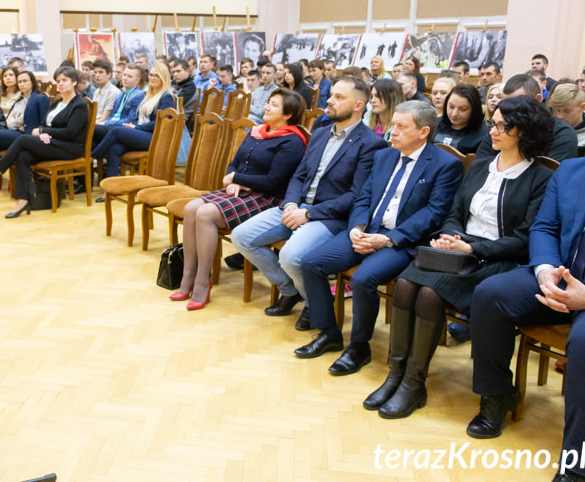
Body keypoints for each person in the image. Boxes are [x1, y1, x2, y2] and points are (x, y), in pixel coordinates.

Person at [365, 97, 554, 419]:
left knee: (428, 293)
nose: (491, 131)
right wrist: (452, 237)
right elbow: (453, 213)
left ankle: (413, 382)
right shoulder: (481, 167)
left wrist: (472, 249)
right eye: (492, 123)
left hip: (497, 258)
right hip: (459, 249)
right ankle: (395, 374)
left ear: (523, 131)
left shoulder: (540, 177)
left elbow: (524, 238)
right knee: (407, 283)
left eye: (500, 126)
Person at [294, 101, 463, 374]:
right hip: (368, 230)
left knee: (362, 279)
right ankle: (329, 332)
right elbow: (364, 197)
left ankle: (359, 347)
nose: (391, 132)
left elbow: (433, 214)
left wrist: (388, 240)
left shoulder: (445, 165)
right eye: (392, 124)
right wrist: (357, 228)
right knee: (311, 263)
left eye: (400, 127)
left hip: (402, 241)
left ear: (423, 132)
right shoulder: (384, 156)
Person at [466, 145, 585, 482]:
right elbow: (544, 229)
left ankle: (578, 465)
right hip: (559, 273)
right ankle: (497, 396)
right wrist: (544, 271)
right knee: (490, 294)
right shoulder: (572, 169)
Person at [232, 77, 387, 326]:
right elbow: (299, 175)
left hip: (330, 216)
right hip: (297, 206)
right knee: (242, 237)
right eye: (332, 94)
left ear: (359, 105)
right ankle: (293, 291)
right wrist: (292, 204)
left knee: (291, 256)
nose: (329, 100)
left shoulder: (371, 143)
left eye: (339, 97)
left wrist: (308, 215)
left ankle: (315, 306)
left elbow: (356, 196)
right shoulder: (320, 133)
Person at [170, 90, 308, 310]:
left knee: (204, 214)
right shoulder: (257, 132)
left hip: (266, 198)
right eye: (268, 102)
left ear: (288, 115)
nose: (267, 107)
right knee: (190, 208)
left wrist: (237, 178)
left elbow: (272, 181)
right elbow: (235, 162)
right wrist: (233, 180)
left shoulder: (292, 141)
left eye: (274, 105)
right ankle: (188, 276)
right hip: (241, 190)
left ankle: (203, 282)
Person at [0, 66, 88, 218]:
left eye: (65, 80)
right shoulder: (58, 103)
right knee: (23, 155)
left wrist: (44, 132)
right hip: (53, 143)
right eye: (58, 81)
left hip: (70, 148)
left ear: (74, 82)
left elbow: (71, 132)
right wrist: (43, 133)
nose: (60, 84)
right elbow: (44, 123)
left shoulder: (79, 105)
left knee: (23, 139)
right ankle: (22, 200)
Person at [91, 62, 176, 178]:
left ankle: (94, 155)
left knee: (117, 131)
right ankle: (111, 188)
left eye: (157, 75)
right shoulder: (148, 95)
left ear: (164, 78)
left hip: (155, 137)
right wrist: (135, 126)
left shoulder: (166, 97)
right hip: (142, 133)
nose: (152, 78)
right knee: (114, 148)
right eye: (151, 75)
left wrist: (136, 127)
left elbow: (161, 124)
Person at [475, 74, 578, 162]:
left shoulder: (562, 133)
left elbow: (550, 175)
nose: (509, 110)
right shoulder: (499, 128)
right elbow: (480, 165)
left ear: (538, 100)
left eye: (518, 103)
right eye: (506, 102)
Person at [92, 65, 146, 145]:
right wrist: (105, 122)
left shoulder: (138, 95)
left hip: (122, 128)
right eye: (124, 75)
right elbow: (111, 115)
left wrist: (105, 123)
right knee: (91, 141)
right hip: (112, 125)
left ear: (137, 80)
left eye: (129, 76)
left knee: (91, 129)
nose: (125, 78)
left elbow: (130, 120)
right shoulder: (120, 95)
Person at [432, 84, 486, 154]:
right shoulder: (435, 124)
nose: (454, 114)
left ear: (474, 109)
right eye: (451, 107)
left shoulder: (483, 134)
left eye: (463, 109)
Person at [546, 82, 585, 150]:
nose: (560, 116)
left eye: (566, 111)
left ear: (583, 107)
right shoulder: (547, 128)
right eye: (558, 110)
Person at [169, 59, 197, 131]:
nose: (175, 74)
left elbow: (174, 105)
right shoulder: (174, 84)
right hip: (169, 117)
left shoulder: (190, 88)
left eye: (178, 71)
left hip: (178, 123)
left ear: (187, 71)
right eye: (173, 72)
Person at [92, 59, 120, 124]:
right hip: (95, 122)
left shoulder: (113, 91)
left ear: (109, 75)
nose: (97, 75)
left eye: (100, 72)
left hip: (103, 124)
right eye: (95, 72)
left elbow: (104, 118)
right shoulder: (97, 91)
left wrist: (90, 124)